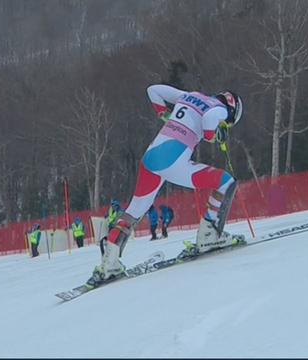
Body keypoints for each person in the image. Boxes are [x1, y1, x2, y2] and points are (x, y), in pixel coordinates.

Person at [86, 84, 246, 287]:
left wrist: (164, 113)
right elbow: (210, 120)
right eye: (228, 123)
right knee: (226, 182)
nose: (225, 123)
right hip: (172, 161)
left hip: (151, 158)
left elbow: (153, 90)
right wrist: (213, 135)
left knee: (134, 210)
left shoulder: (190, 95)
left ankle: (109, 262)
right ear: (232, 110)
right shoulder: (218, 107)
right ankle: (209, 236)